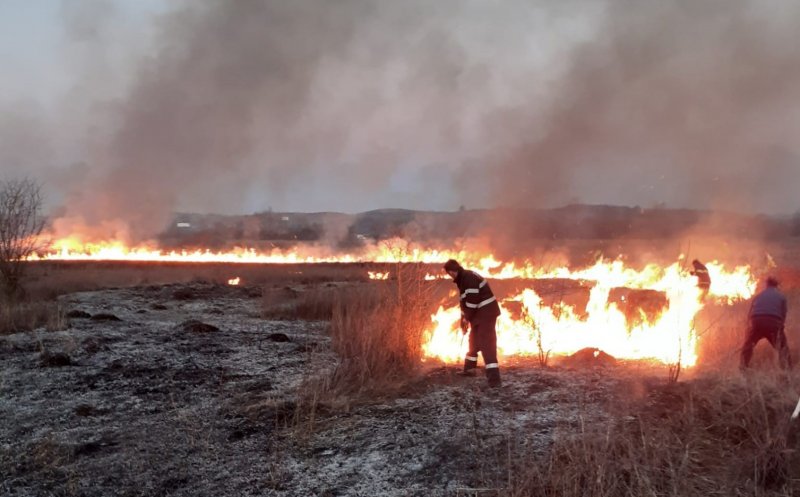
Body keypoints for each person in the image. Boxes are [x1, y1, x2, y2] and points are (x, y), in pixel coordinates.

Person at [443, 259, 502, 387]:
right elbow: (464, 303)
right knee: (473, 340)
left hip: (486, 314)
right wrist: (463, 319)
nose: (450, 275)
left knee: (487, 345)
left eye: (450, 273)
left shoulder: (468, 278)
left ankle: (494, 380)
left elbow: (472, 301)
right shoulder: (463, 279)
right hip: (479, 314)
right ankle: (469, 369)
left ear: (453, 271)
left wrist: (467, 318)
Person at [740, 276, 792, 370]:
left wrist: (749, 331)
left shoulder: (758, 296)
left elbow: (750, 314)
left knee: (748, 347)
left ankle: (743, 367)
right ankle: (787, 370)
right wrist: (781, 328)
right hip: (773, 323)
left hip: (757, 322)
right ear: (777, 285)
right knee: (783, 348)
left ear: (766, 285)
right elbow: (783, 314)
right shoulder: (781, 296)